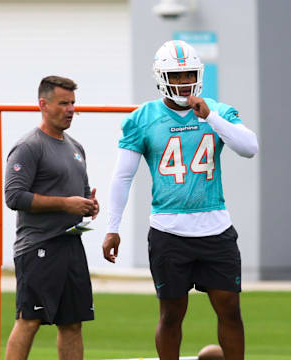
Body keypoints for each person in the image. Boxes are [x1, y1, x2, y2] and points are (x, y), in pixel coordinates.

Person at [102, 40, 258, 360]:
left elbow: (250, 147)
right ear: (161, 77)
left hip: (215, 226)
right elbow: (122, 177)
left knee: (230, 308)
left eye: (189, 74)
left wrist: (211, 117)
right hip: (169, 230)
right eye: (177, 75)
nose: (185, 82)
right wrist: (112, 226)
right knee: (171, 313)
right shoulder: (142, 118)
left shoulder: (218, 110)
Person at [4, 75, 99, 360]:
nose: (70, 109)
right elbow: (14, 197)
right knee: (29, 321)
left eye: (73, 103)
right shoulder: (29, 146)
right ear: (43, 105)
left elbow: (80, 194)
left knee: (72, 324)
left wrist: (89, 205)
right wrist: (65, 204)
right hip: (38, 247)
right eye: (63, 103)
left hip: (71, 246)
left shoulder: (76, 148)